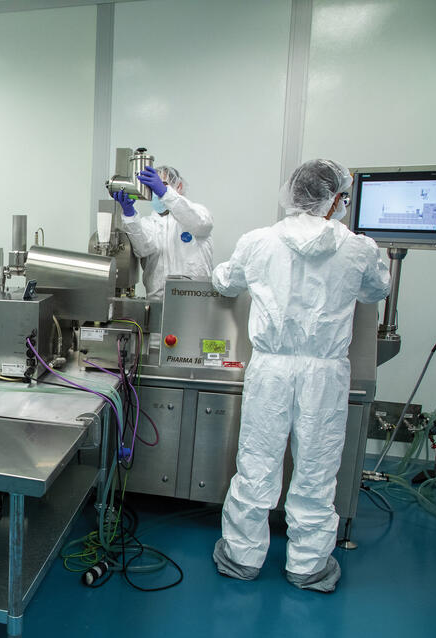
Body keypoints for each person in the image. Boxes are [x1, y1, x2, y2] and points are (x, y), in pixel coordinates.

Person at [210, 159, 390, 592]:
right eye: (343, 197)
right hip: (324, 373)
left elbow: (225, 282)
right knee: (317, 467)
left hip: (271, 369)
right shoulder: (358, 248)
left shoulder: (258, 241)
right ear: (334, 199)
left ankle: (241, 556)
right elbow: (377, 289)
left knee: (257, 462)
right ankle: (307, 566)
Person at [110, 165, 214, 299]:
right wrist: (129, 214)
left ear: (179, 186)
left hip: (195, 299)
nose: (157, 192)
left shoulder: (198, 212)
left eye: (162, 185)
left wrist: (165, 193)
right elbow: (143, 249)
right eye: (152, 188)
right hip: (158, 301)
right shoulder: (148, 223)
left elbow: (199, 224)